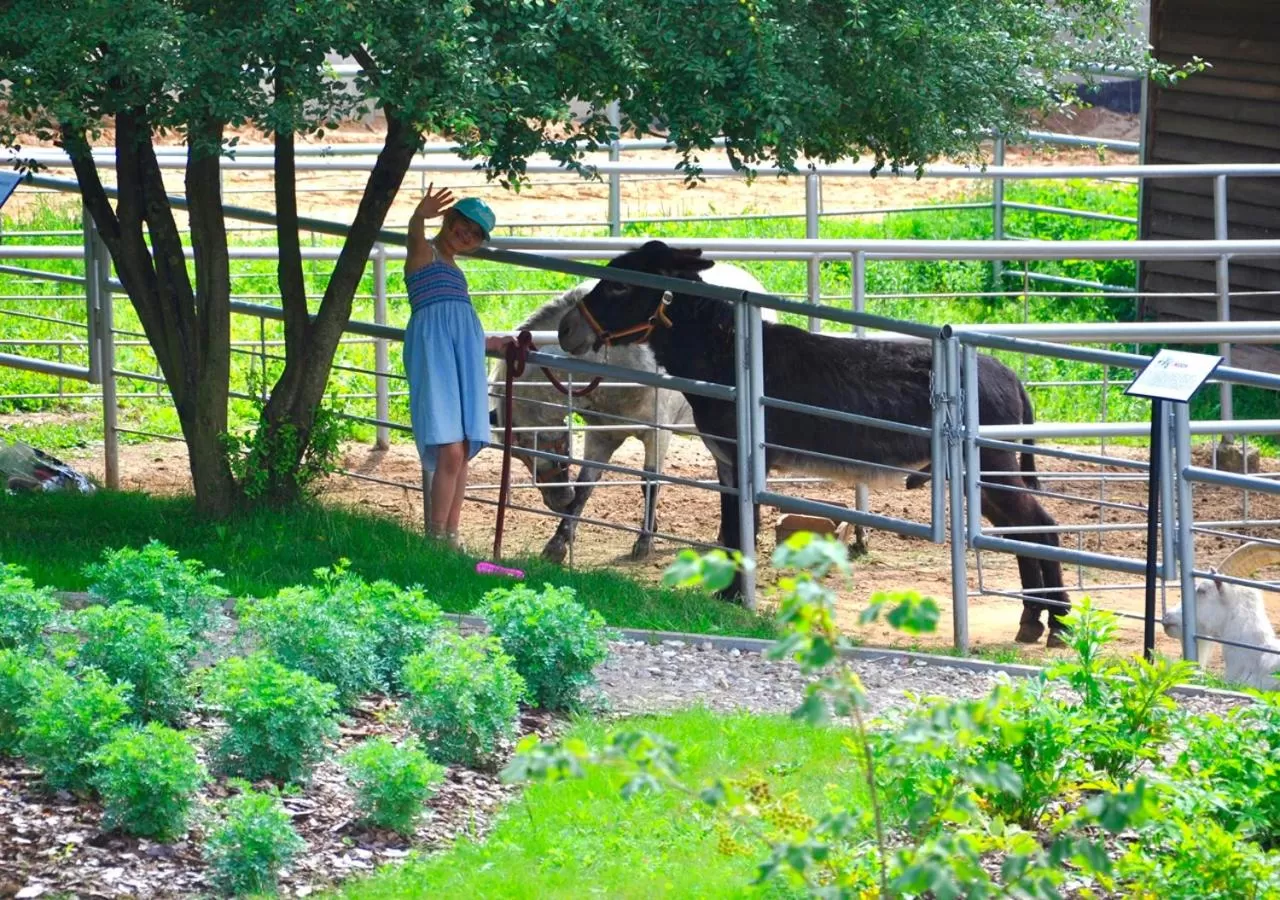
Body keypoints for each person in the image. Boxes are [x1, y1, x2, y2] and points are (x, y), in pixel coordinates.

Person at [403, 184, 508, 548]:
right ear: (448, 220)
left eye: (475, 234)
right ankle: (435, 536)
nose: (466, 235)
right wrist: (418, 216)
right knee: (449, 446)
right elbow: (413, 239)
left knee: (461, 446)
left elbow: (460, 324)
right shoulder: (424, 253)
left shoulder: (455, 271)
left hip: (460, 355)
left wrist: (491, 344)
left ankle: (450, 535)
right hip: (435, 354)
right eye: (463, 225)